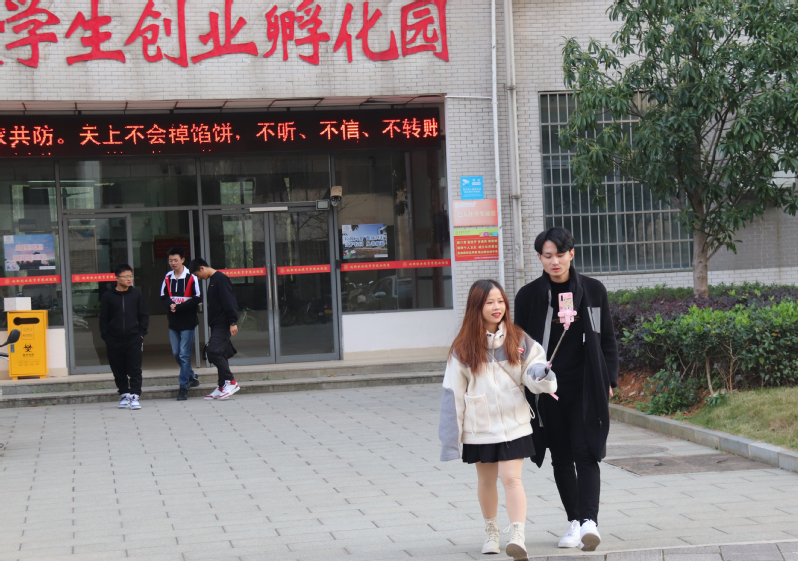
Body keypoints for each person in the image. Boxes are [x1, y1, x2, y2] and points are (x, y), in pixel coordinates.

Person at [514, 227, 619, 552]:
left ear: (571, 254)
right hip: (546, 390)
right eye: (548, 256)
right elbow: (519, 347)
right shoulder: (528, 296)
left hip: (585, 387)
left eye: (560, 254)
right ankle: (574, 520)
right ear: (539, 258)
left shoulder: (592, 290)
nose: (555, 261)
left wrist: (609, 379)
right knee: (560, 455)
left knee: (585, 451)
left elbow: (607, 340)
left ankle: (589, 522)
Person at [439, 279, 557, 560]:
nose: (497, 307)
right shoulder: (463, 347)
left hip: (514, 424)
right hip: (480, 428)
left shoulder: (519, 339)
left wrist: (542, 375)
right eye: (490, 302)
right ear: (476, 306)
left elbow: (533, 369)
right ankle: (491, 532)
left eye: (500, 301)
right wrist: (450, 440)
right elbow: (452, 395)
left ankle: (518, 536)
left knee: (511, 478)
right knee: (486, 481)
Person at [188, 257, 240, 400]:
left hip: (223, 324)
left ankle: (231, 382)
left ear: (202, 268)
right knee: (221, 353)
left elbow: (229, 301)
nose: (199, 278)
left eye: (198, 275)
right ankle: (222, 385)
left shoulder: (220, 279)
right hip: (217, 324)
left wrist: (232, 321)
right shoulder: (213, 280)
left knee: (213, 352)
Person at [99, 264, 149, 411]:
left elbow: (144, 315)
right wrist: (106, 337)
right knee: (118, 369)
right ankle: (124, 394)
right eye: (126, 276)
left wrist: (141, 334)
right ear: (117, 278)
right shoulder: (108, 296)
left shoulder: (136, 294)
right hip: (114, 339)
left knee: (135, 368)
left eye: (131, 276)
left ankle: (135, 396)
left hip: (134, 338)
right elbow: (103, 318)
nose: (129, 279)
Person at [160, 247, 202, 401]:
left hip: (188, 321)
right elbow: (163, 296)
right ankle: (191, 376)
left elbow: (197, 298)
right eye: (170, 260)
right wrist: (170, 305)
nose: (173, 263)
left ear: (183, 260)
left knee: (184, 354)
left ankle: (183, 387)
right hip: (173, 322)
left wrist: (180, 307)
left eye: (175, 260)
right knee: (176, 353)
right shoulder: (168, 277)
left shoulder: (192, 277)